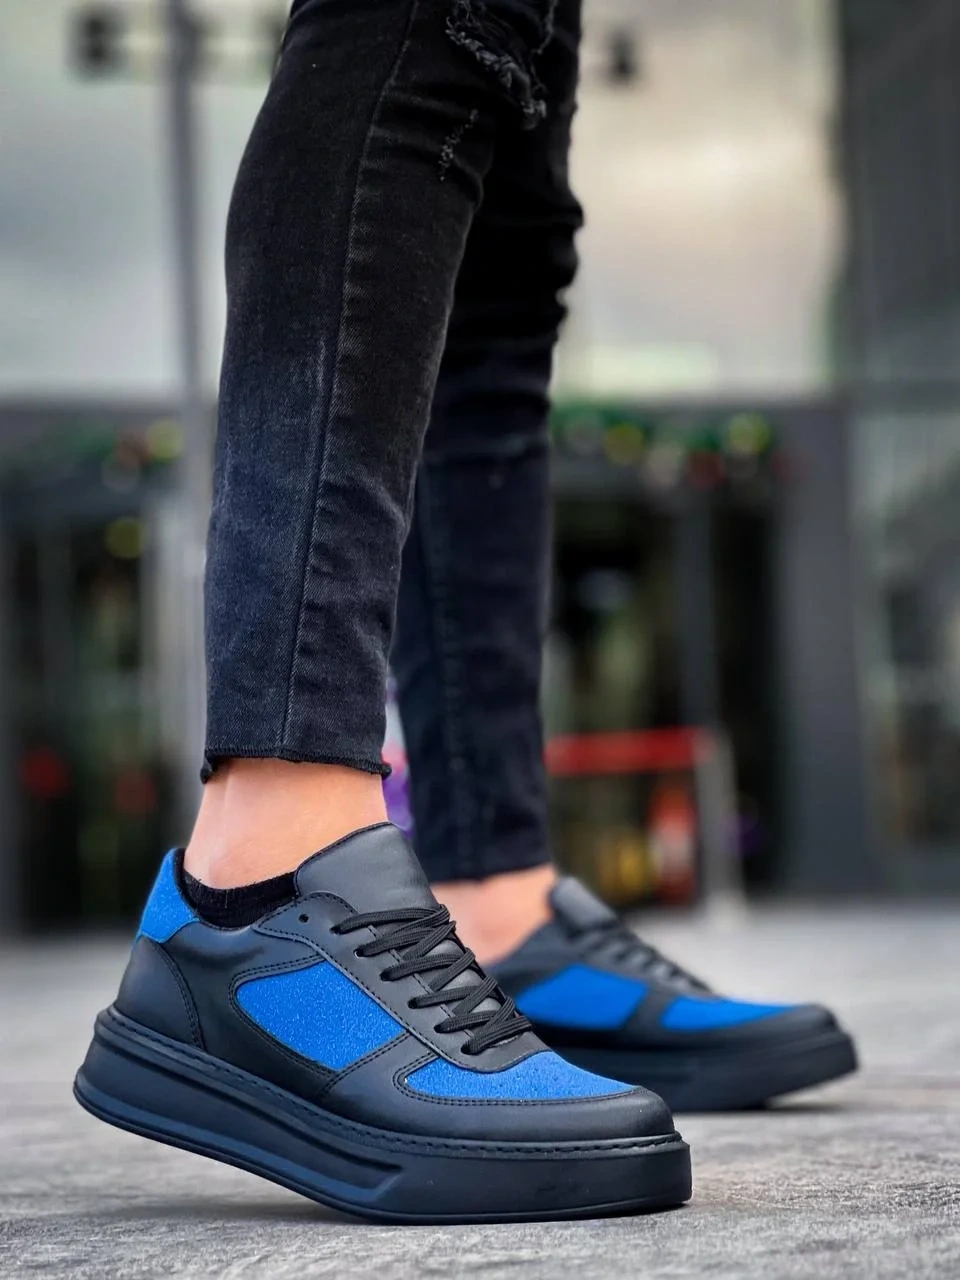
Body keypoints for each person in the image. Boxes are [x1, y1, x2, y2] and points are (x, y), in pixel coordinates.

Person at [74, 0, 856, 1222]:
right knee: (413, 34)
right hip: (262, 882)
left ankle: (499, 898)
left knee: (506, 226)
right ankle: (262, 872)